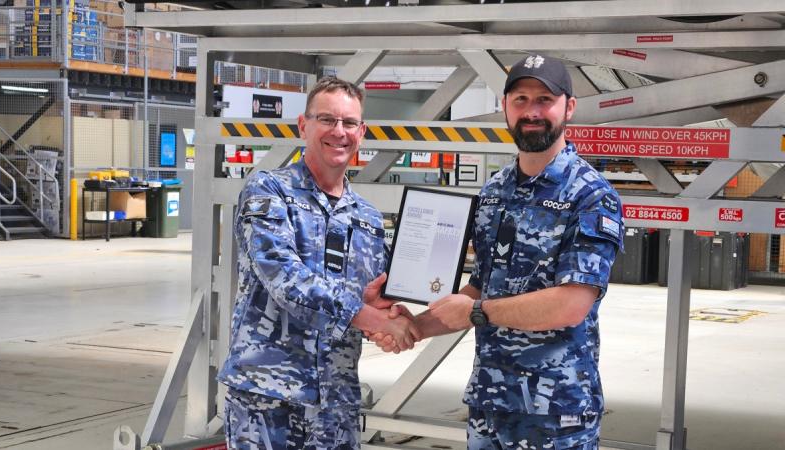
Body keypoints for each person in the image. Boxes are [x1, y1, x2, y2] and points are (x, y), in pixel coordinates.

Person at [373, 54, 624, 449]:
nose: (532, 111)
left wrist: (476, 311)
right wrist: (416, 326)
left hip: (555, 412)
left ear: (568, 108)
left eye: (544, 99)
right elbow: (481, 287)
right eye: (520, 99)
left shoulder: (591, 196)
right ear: (505, 108)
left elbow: (571, 304)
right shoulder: (494, 191)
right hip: (491, 404)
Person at [218, 76, 420, 450]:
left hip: (336, 404)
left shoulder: (368, 218)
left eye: (348, 123)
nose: (338, 132)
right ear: (304, 125)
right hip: (267, 398)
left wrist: (384, 312)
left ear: (362, 132)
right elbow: (285, 279)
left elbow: (371, 297)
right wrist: (368, 316)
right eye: (326, 120)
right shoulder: (268, 190)